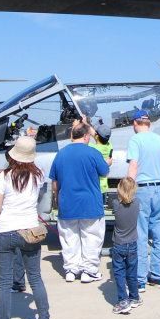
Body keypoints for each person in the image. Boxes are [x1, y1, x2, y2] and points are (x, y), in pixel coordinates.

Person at [0, 135, 55, 319]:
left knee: (5, 283)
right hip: (30, 231)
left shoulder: (4, 176)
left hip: (6, 230)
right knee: (35, 278)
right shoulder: (37, 176)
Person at [49, 121, 110, 283]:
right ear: (86, 136)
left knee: (69, 238)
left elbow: (55, 182)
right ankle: (88, 270)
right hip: (90, 203)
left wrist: (56, 198)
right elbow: (104, 172)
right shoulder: (93, 153)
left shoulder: (61, 154)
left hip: (67, 203)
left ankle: (71, 269)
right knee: (92, 237)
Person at [126, 109, 160, 290]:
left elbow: (133, 166)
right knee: (159, 233)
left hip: (142, 189)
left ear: (135, 123)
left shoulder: (135, 140)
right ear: (148, 123)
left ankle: (140, 279)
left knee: (141, 234)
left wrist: (128, 190)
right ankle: (158, 276)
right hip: (159, 188)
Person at [110, 177, 142, 314]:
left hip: (119, 244)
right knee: (132, 272)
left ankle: (123, 301)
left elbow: (116, 200)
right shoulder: (137, 203)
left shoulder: (116, 204)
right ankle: (134, 297)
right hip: (133, 243)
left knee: (119, 273)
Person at [89, 122, 113, 207]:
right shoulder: (109, 146)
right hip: (103, 187)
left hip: (94, 186)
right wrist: (85, 123)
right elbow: (96, 135)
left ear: (97, 136)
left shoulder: (92, 147)